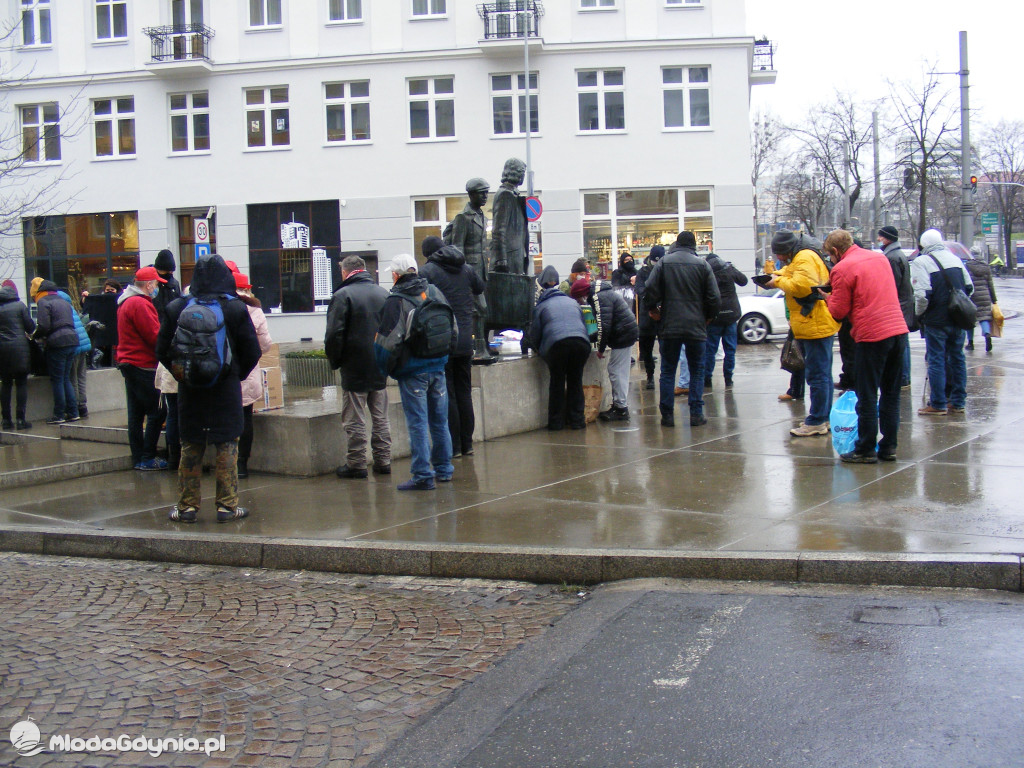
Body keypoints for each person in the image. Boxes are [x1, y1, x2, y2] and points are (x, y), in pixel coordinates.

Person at [157, 254, 261, 523]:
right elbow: (252, 350)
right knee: (227, 445)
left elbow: (161, 349)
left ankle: (186, 507)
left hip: (190, 389)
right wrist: (233, 374)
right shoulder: (235, 308)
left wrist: (183, 374)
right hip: (225, 389)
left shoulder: (177, 307)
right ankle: (227, 507)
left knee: (190, 445)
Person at [823, 230, 909, 463]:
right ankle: (889, 446)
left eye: (829, 256)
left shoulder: (841, 268)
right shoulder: (879, 258)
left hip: (872, 336)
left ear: (835, 252)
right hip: (898, 331)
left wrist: (826, 297)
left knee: (868, 394)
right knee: (891, 393)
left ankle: (865, 448)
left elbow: (838, 312)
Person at [374, 254, 455, 491]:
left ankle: (422, 475)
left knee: (418, 423)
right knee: (440, 421)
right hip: (438, 366)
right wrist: (443, 358)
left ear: (397, 275)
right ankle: (444, 470)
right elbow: (453, 327)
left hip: (413, 371)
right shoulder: (434, 292)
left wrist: (385, 368)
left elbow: (387, 342)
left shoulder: (396, 300)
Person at [642, 231, 720, 428]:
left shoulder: (664, 263)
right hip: (696, 326)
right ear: (694, 246)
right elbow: (714, 297)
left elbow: (649, 288)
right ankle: (696, 413)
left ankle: (667, 415)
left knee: (667, 371)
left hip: (669, 325)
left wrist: (653, 309)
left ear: (677, 244)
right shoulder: (703, 265)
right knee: (697, 370)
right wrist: (709, 317)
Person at [766, 230, 839, 437]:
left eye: (779, 253)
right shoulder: (803, 254)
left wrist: (776, 282)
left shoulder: (804, 256)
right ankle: (823, 418)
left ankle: (816, 420)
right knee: (822, 374)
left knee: (817, 376)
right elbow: (794, 274)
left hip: (813, 323)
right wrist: (777, 276)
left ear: (786, 249)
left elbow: (802, 286)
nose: (779, 258)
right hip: (815, 322)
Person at [325, 254, 392, 479]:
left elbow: (334, 334)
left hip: (354, 364)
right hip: (380, 363)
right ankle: (383, 460)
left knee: (355, 417)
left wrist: (335, 361)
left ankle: (357, 463)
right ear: (363, 270)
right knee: (380, 415)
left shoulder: (342, 295)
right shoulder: (384, 294)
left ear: (345, 272)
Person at [420, 237, 486, 458]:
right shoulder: (465, 267)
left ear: (428, 254)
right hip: (466, 340)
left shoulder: (428, 271)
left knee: (448, 394)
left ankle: (455, 446)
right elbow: (480, 287)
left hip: (444, 341)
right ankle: (467, 444)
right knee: (464, 392)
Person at [911, 229, 974, 416]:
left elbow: (921, 295)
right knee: (957, 358)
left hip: (936, 320)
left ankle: (938, 403)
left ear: (923, 244)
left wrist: (919, 315)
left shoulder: (921, 262)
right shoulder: (954, 259)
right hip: (957, 318)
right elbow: (969, 287)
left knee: (936, 360)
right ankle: (958, 401)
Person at [116, 267, 168, 469]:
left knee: (136, 414)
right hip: (142, 364)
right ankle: (147, 457)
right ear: (148, 285)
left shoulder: (125, 302)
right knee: (157, 411)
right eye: (155, 284)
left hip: (128, 363)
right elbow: (155, 336)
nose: (156, 288)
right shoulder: (140, 304)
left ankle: (139, 456)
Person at [528, 267, 591, 431]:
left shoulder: (541, 306)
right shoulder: (572, 302)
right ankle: (577, 421)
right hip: (581, 344)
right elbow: (584, 326)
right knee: (575, 381)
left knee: (557, 382)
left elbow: (533, 335)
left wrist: (536, 349)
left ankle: (556, 422)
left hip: (557, 345)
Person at [576, 280, 638, 422]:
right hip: (626, 332)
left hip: (623, 335)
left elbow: (603, 325)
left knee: (616, 371)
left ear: (582, 294)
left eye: (578, 298)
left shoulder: (599, 297)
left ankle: (621, 408)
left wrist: (600, 348)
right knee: (619, 371)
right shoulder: (601, 294)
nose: (580, 302)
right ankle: (619, 405)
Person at [235, 272, 273, 479]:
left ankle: (224, 462)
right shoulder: (254, 310)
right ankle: (242, 465)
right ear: (247, 289)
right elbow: (265, 344)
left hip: (222, 372)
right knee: (245, 417)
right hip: (248, 371)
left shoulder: (219, 306)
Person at [445, 177, 490, 354]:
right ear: (471, 195)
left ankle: (481, 346)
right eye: (482, 193)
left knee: (481, 309)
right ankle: (478, 347)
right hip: (469, 270)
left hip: (481, 271)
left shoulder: (482, 217)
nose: (485, 196)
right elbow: (458, 247)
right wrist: (463, 271)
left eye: (487, 192)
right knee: (479, 308)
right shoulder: (463, 217)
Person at [30, 277, 80, 425]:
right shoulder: (64, 301)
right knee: (66, 378)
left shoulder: (44, 302)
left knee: (57, 379)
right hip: (72, 340)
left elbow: (44, 326)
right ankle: (73, 412)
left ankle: (59, 414)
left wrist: (35, 336)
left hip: (57, 343)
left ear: (42, 292)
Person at [703, 251, 748, 390]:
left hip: (715, 316)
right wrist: (732, 267)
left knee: (710, 350)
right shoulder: (728, 269)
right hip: (731, 316)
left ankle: (707, 378)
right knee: (730, 350)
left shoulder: (707, 273)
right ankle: (728, 379)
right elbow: (744, 281)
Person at [877, 226, 914, 388]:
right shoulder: (897, 254)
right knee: (902, 341)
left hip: (899, 304)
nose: (878, 239)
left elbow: (892, 284)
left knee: (901, 342)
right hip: (903, 302)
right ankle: (904, 376)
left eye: (881, 236)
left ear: (888, 238)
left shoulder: (891, 257)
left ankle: (903, 377)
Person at [0, 280, 35, 430]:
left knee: (6, 383)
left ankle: (6, 420)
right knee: (21, 383)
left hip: (2, 350)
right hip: (20, 349)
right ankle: (21, 420)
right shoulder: (20, 306)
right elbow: (30, 326)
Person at [489, 158, 529, 275]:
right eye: (521, 172)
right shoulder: (505, 194)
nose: (523, 175)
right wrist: (502, 259)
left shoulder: (513, 194)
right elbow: (498, 230)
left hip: (516, 254)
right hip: (510, 255)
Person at [634, 245, 663, 390]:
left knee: (666, 348)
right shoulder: (643, 272)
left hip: (664, 316)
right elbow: (639, 290)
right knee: (647, 349)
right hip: (647, 316)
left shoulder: (666, 270)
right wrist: (651, 300)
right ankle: (650, 375)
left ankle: (664, 376)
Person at [964, 246, 997, 353]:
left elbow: (965, 281)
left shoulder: (968, 265)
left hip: (972, 295)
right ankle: (987, 334)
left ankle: (970, 343)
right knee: (984, 318)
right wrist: (994, 299)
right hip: (985, 295)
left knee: (970, 320)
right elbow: (990, 284)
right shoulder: (986, 266)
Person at [152, 248, 183, 322]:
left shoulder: (175, 284)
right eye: (166, 271)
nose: (169, 273)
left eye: (171, 271)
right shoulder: (150, 284)